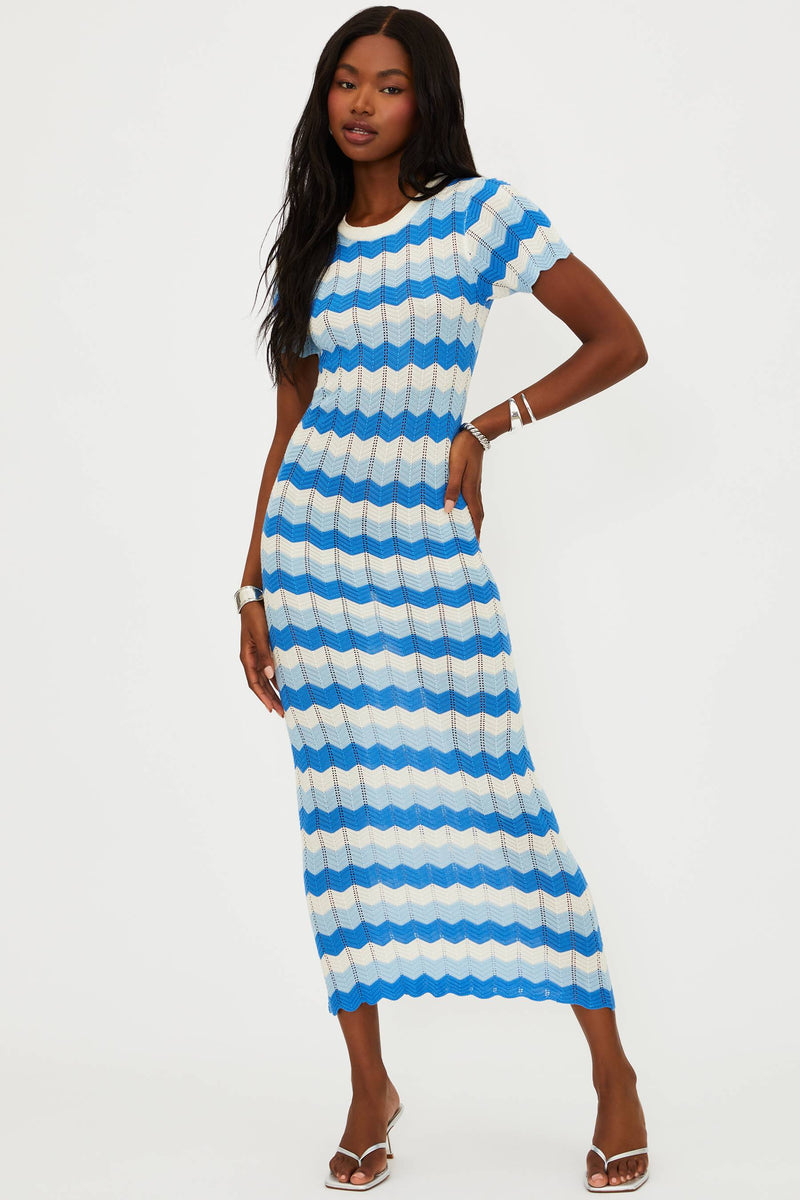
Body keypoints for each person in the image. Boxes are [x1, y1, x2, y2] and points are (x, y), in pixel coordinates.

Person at [238, 7, 650, 1193]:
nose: (361, 104)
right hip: (312, 560)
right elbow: (287, 428)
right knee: (343, 820)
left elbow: (616, 341)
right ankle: (370, 1082)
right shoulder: (312, 242)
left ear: (429, 102)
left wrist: (488, 423)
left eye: (389, 85)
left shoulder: (480, 214)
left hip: (425, 561)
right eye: (343, 82)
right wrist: (251, 583)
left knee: (500, 798)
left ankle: (611, 1073)